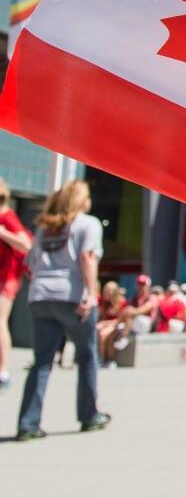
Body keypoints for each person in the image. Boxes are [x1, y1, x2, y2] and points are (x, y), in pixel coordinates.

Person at [16, 180, 109, 440]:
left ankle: (28, 422)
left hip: (41, 296)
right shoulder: (87, 224)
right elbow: (87, 258)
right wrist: (91, 294)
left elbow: (30, 261)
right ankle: (89, 415)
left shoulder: (44, 227)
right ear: (82, 200)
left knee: (42, 361)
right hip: (72, 296)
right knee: (87, 356)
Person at [0, 177, 32, 389]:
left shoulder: (7, 216)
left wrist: (2, 232)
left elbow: (26, 244)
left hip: (6, 278)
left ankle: (2, 370)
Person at [96, 281, 128, 368]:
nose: (105, 293)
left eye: (108, 291)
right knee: (98, 331)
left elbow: (120, 319)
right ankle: (99, 358)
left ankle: (105, 359)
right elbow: (102, 317)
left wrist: (106, 323)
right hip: (107, 325)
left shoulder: (122, 302)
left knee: (104, 334)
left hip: (118, 326)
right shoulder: (104, 303)